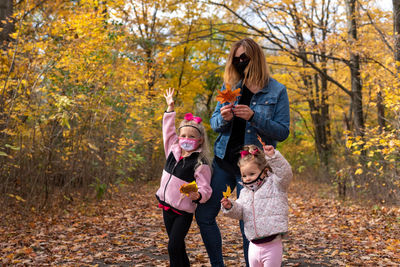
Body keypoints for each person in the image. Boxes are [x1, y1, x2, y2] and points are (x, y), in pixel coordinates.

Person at [195, 37, 290, 266]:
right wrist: (223, 118)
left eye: (244, 58)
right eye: (235, 58)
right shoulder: (230, 88)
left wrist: (255, 117)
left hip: (252, 169)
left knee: (248, 224)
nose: (240, 62)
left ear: (255, 58)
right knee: (204, 216)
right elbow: (215, 122)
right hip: (224, 162)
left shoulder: (276, 90)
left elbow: (282, 131)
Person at [156, 88, 213, 267]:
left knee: (172, 247)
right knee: (178, 246)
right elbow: (168, 132)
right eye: (183, 136)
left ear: (200, 140)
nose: (186, 139)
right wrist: (170, 109)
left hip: (183, 212)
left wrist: (199, 195)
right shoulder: (172, 152)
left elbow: (205, 188)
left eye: (191, 137)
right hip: (166, 206)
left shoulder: (200, 163)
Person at [221, 144, 292, 267]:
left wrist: (273, 157)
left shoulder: (275, 184)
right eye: (244, 175)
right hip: (253, 246)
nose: (247, 179)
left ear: (264, 171)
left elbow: (285, 174)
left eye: (251, 174)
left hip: (272, 246)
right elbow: (240, 212)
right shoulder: (245, 192)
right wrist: (230, 207)